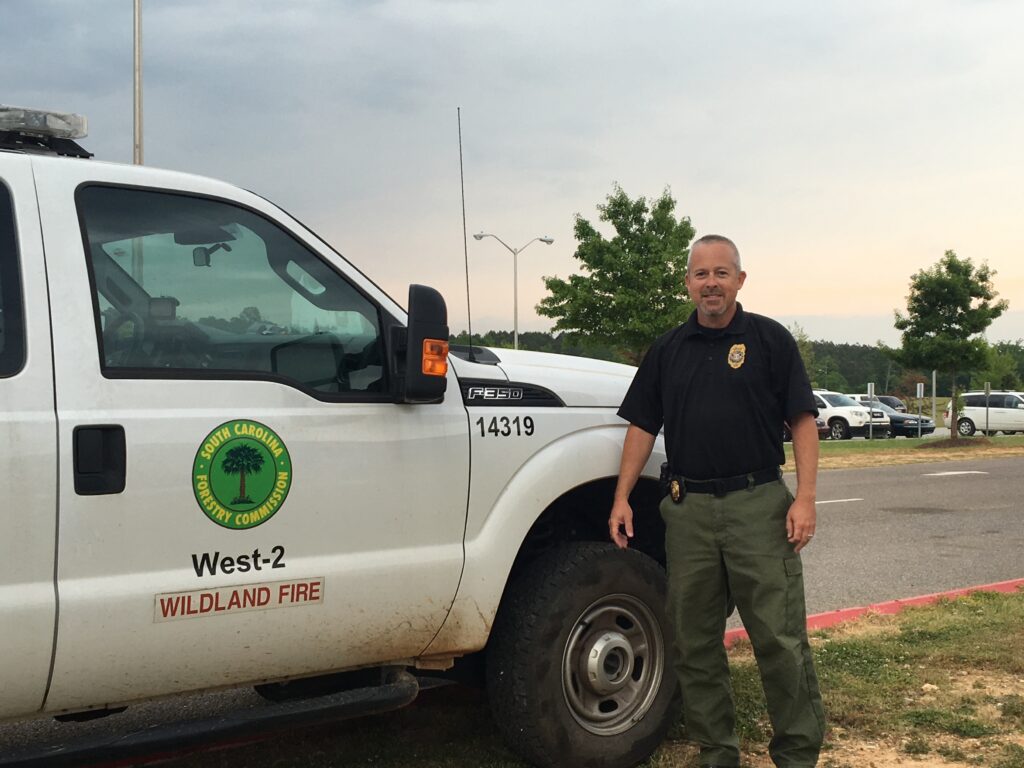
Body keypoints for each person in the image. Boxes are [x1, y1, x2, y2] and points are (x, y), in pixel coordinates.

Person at [609, 234, 825, 768]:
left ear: (740, 280)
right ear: (688, 283)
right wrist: (622, 498)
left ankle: (796, 754)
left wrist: (806, 498)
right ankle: (717, 753)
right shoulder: (667, 350)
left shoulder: (770, 341)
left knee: (778, 638)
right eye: (701, 274)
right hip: (689, 512)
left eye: (722, 273)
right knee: (695, 643)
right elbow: (641, 425)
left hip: (759, 506)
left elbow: (803, 421)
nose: (711, 283)